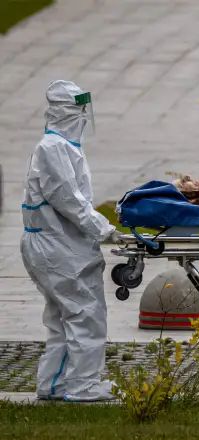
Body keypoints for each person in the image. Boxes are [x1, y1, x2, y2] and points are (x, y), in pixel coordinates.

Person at [21, 80, 123, 402]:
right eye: (80, 110)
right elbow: (69, 200)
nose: (84, 116)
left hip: (55, 244)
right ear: (69, 112)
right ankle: (83, 385)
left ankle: (54, 383)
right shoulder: (54, 149)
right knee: (85, 315)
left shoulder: (60, 147)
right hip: (59, 247)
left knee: (62, 317)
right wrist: (104, 229)